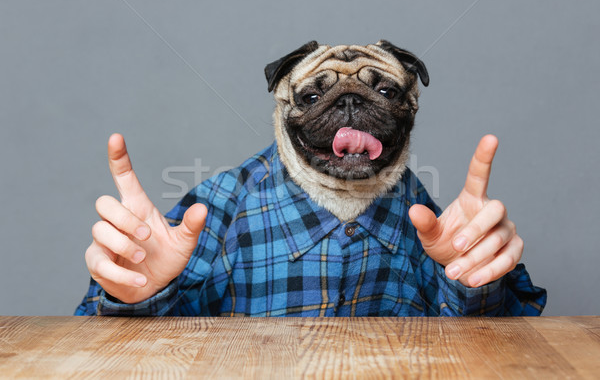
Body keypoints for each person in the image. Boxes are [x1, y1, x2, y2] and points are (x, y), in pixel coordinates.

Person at [75, 133, 546, 317]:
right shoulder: (218, 206)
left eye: (382, 93)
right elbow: (103, 349)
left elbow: (491, 346)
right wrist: (137, 292)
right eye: (317, 95)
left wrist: (477, 272)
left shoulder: (417, 211)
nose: (349, 115)